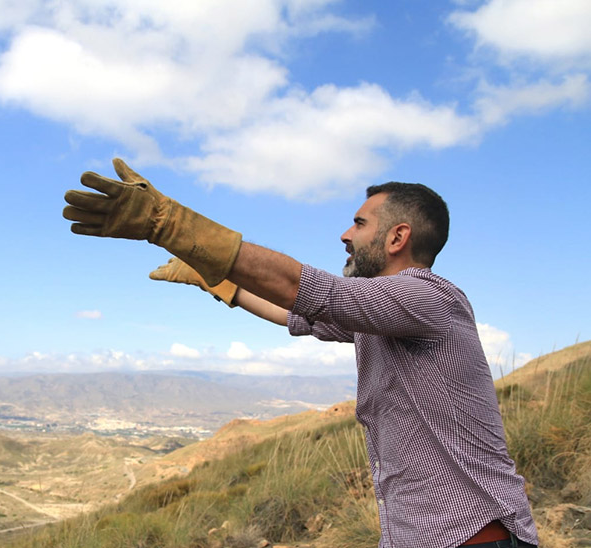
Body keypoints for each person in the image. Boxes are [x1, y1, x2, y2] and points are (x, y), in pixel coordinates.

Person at [62, 159, 538, 548]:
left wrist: (168, 223)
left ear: (397, 237)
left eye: (358, 222)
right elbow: (295, 312)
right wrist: (215, 280)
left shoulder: (429, 299)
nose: (344, 235)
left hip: (475, 538)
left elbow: (305, 290)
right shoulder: (383, 319)